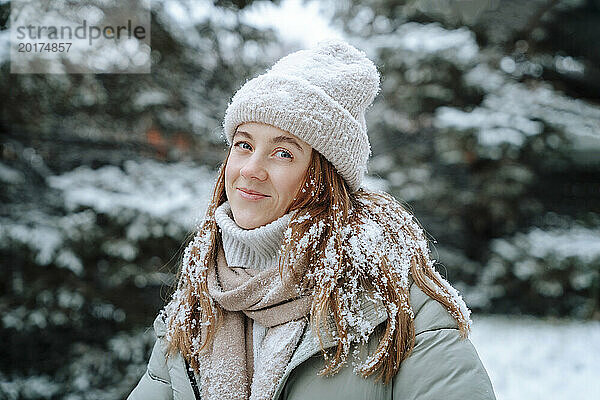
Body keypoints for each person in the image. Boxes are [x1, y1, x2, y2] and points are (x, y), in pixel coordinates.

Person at [127, 38, 496, 400]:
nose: (251, 170)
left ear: (323, 179)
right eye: (244, 144)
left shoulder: (395, 308)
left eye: (283, 153)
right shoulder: (198, 299)